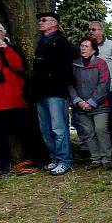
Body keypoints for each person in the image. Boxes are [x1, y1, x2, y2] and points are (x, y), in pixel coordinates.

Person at [0, 22, 44, 175]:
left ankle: (33, 160)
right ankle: (4, 165)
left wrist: (5, 49)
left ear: (4, 33)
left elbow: (19, 66)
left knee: (25, 133)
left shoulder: (13, 49)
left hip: (15, 100)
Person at [31, 11, 75, 176]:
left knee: (58, 128)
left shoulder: (62, 42)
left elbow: (68, 66)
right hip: (41, 92)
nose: (40, 22)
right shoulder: (41, 43)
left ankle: (65, 160)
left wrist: (57, 81)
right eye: (39, 20)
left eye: (44, 20)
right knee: (46, 129)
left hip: (56, 92)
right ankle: (55, 158)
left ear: (54, 23)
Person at [69, 36, 112, 170]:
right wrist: (78, 101)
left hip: (100, 105)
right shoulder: (74, 64)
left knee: (101, 129)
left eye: (86, 46)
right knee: (88, 132)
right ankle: (95, 159)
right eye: (82, 46)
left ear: (94, 50)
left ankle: (106, 159)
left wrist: (92, 102)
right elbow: (70, 84)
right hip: (80, 105)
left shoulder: (101, 63)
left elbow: (104, 84)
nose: (83, 48)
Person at [88, 21, 112, 152]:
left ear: (101, 31)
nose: (91, 32)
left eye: (94, 29)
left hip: (111, 89)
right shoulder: (88, 47)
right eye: (89, 30)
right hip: (93, 91)